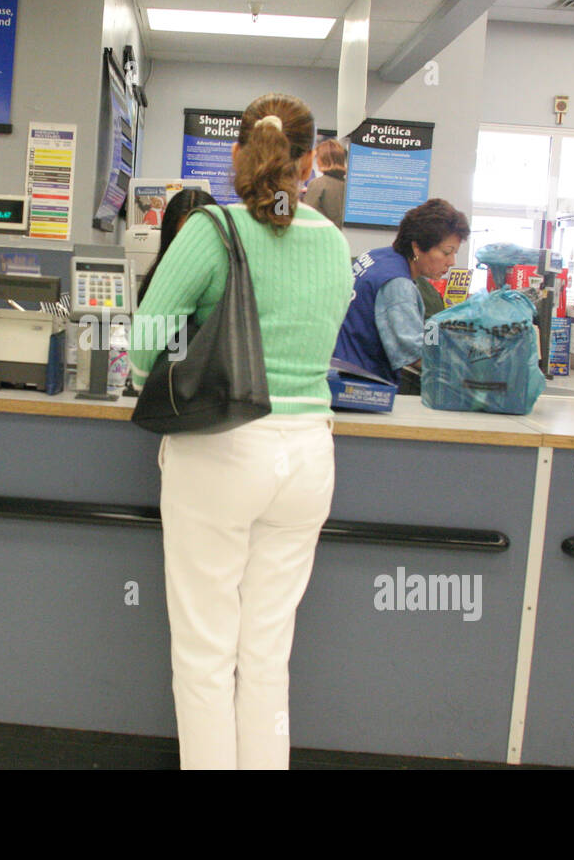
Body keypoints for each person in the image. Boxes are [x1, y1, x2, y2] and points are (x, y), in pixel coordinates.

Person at [129, 93, 352, 770]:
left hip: (224, 447)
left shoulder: (212, 229)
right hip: (309, 452)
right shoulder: (336, 243)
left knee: (204, 650)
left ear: (239, 152)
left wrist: (195, 335)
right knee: (267, 651)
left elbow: (144, 346)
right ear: (312, 160)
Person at [334, 198, 471, 386]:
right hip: (361, 383)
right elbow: (414, 354)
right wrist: (470, 368)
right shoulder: (397, 283)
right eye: (447, 252)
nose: (452, 262)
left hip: (340, 367)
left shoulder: (376, 256)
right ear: (417, 247)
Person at [136, 188, 217, 304]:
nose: (191, 250)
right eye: (182, 241)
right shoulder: (158, 284)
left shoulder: (226, 284)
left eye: (198, 240)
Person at [301, 138, 346, 224]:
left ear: (323, 160)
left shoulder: (317, 184)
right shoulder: (348, 187)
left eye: (318, 157)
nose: (317, 161)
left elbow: (307, 216)